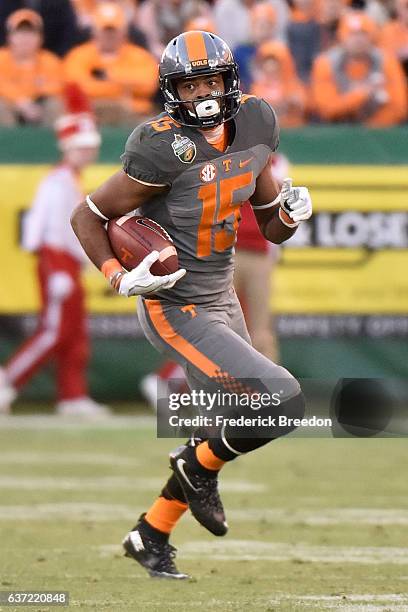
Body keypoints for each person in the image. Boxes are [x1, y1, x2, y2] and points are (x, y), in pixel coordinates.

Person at [71, 30, 312, 578]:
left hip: (222, 293)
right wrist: (116, 275)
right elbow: (87, 215)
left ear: (228, 81)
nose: (202, 92)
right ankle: (192, 466)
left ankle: (150, 533)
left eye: (209, 80)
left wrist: (290, 215)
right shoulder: (159, 144)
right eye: (191, 82)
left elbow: (270, 225)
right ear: (171, 89)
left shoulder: (255, 121)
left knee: (225, 424)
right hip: (174, 304)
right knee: (282, 400)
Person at [0, 86, 110, 418]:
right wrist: (53, 266)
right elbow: (41, 225)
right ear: (69, 148)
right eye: (83, 148)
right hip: (56, 261)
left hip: (68, 262)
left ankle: (72, 395)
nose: (89, 154)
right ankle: (7, 380)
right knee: (52, 332)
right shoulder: (57, 179)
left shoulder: (71, 179)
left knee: (75, 332)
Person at [64, 2, 159, 125]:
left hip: (133, 115)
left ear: (124, 32)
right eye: (105, 30)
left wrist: (109, 76)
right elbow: (77, 87)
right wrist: (123, 88)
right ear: (94, 31)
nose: (109, 36)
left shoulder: (140, 56)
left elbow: (148, 85)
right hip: (90, 115)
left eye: (113, 31)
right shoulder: (78, 55)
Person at [311, 10, 407, 126]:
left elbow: (399, 107)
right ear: (342, 36)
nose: (358, 39)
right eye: (352, 34)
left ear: (372, 36)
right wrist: (362, 93)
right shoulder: (326, 63)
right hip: (336, 132)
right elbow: (326, 109)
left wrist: (369, 129)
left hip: (378, 133)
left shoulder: (386, 61)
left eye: (363, 33)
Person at [0, 9, 63, 126]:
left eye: (31, 33)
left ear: (40, 38)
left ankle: (49, 142)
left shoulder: (50, 60)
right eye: (20, 33)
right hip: (11, 105)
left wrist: (33, 98)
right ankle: (7, 143)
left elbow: (57, 85)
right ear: (9, 37)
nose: (25, 38)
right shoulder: (2, 58)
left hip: (39, 106)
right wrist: (21, 100)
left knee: (54, 104)